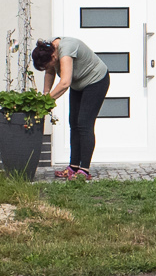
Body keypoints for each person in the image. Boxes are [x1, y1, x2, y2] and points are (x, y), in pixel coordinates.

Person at [33, 37, 110, 179]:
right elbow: (50, 72)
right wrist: (45, 93)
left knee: (84, 124)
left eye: (48, 64)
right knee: (73, 123)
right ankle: (73, 167)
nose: (48, 68)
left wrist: (45, 102)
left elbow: (64, 83)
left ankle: (84, 170)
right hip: (78, 84)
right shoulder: (49, 50)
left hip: (96, 81)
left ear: (53, 56)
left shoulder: (66, 49)